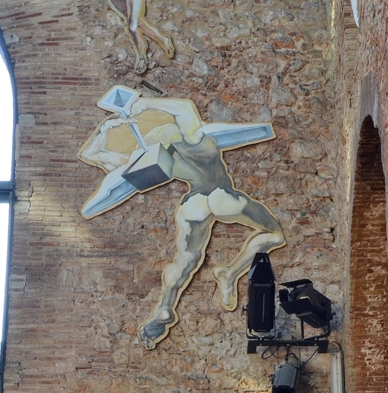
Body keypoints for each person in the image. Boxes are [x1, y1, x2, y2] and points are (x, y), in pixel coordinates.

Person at [80, 96, 285, 347]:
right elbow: (185, 107)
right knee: (274, 234)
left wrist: (104, 130)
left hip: (193, 204)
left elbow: (94, 155)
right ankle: (229, 273)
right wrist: (146, 104)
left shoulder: (156, 160)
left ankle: (165, 305)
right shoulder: (194, 139)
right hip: (221, 195)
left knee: (186, 259)